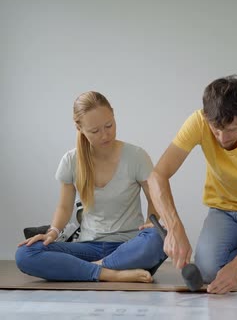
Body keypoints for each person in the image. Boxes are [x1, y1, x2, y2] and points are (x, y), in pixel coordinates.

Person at [148, 75, 237, 294]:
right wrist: (174, 227)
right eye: (216, 129)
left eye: (232, 130)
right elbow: (157, 176)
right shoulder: (198, 121)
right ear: (206, 117)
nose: (222, 138)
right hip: (223, 211)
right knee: (206, 272)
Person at [16, 91, 167, 282]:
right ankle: (110, 273)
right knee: (25, 254)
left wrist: (150, 223)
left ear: (114, 116)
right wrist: (52, 232)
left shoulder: (136, 156)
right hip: (88, 247)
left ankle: (90, 269)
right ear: (79, 128)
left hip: (128, 246)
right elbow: (64, 207)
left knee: (158, 238)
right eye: (95, 131)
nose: (105, 135)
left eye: (109, 125)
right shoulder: (71, 160)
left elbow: (154, 197)